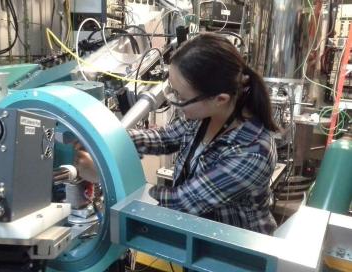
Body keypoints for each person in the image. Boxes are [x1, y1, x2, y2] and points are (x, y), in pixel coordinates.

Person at [76, 32, 278, 235]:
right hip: (199, 237)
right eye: (171, 89)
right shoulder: (206, 115)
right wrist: (104, 140)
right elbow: (163, 138)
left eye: (180, 96)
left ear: (220, 99)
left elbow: (180, 202)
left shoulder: (252, 151)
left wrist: (105, 174)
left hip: (236, 255)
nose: (173, 101)